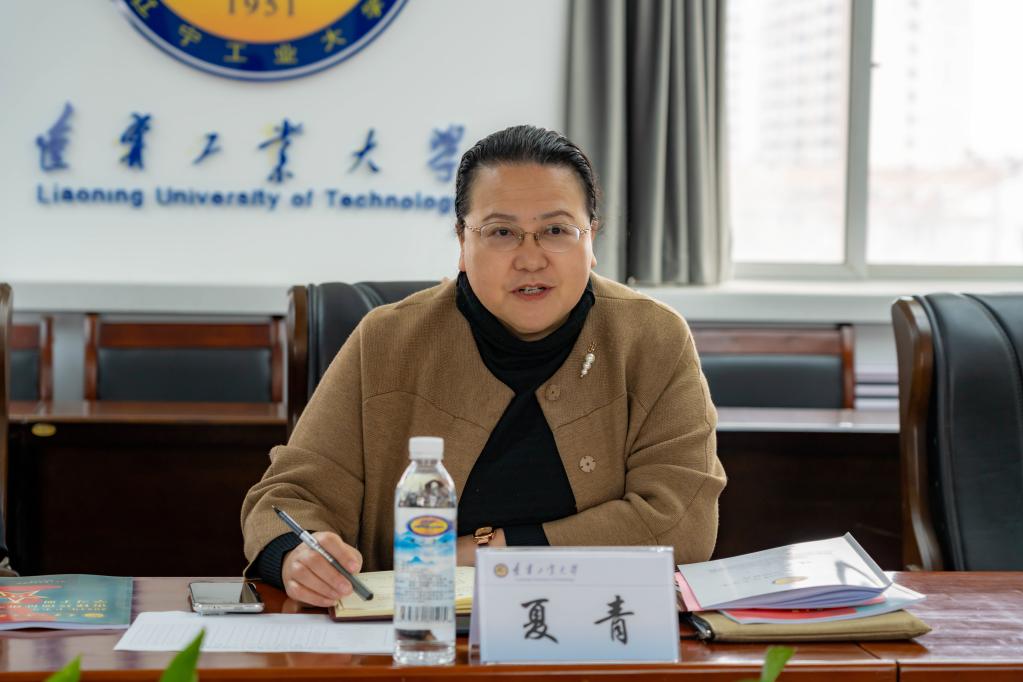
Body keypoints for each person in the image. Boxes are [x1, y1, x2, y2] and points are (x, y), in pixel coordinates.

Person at [241, 125, 726, 607]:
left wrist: (491, 552)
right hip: (417, 631)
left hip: (596, 625)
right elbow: (290, 495)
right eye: (501, 232)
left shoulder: (653, 337)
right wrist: (297, 556)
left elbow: (681, 522)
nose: (530, 259)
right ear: (462, 241)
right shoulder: (386, 340)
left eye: (556, 230)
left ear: (591, 238)